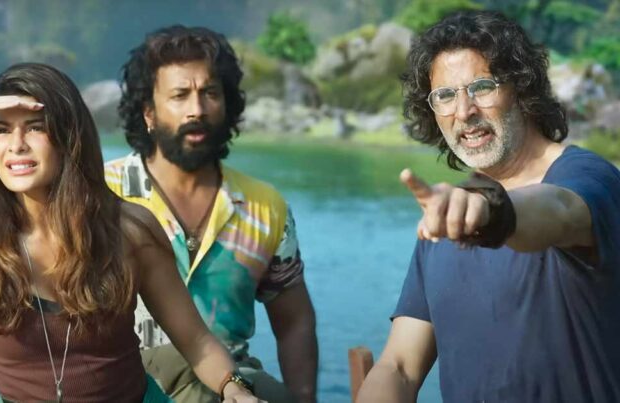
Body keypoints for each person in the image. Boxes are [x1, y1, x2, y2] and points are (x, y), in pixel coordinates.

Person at [0, 63, 263, 403]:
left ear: (69, 138)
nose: (16, 145)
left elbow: (194, 339)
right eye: (1, 130)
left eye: (35, 127)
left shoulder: (130, 230)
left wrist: (234, 388)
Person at [357, 10, 620, 403]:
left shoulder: (589, 179)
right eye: (445, 96)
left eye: (481, 87)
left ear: (521, 88)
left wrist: (491, 212)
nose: (464, 111)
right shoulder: (449, 214)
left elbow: (560, 210)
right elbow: (399, 367)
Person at [105, 26, 318, 403]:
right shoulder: (100, 194)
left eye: (210, 93)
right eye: (180, 95)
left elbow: (294, 322)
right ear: (148, 112)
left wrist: (303, 399)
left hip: (232, 387)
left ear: (228, 105)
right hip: (120, 384)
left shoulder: (264, 207)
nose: (197, 110)